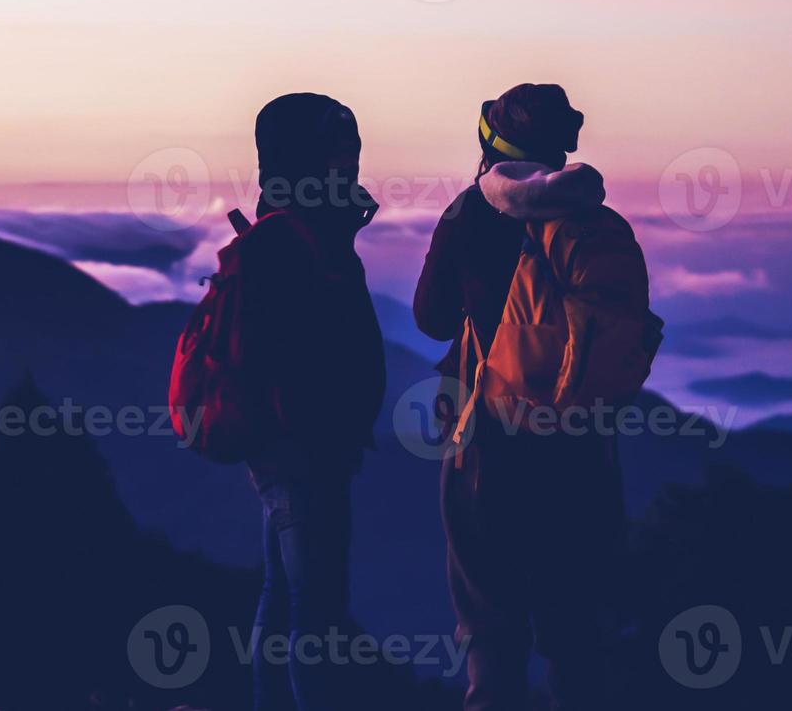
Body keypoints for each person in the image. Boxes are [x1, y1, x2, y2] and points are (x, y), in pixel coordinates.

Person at [413, 84, 641, 711]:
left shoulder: (469, 215)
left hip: (489, 452)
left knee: (491, 631)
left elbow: (430, 317)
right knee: (576, 637)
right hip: (583, 453)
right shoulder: (595, 223)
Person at [238, 92, 387, 711]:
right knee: (316, 610)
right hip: (307, 451)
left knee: (285, 597)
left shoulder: (299, 232)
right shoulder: (296, 243)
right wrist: (327, 434)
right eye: (339, 153)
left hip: (288, 449)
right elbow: (310, 353)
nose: (350, 166)